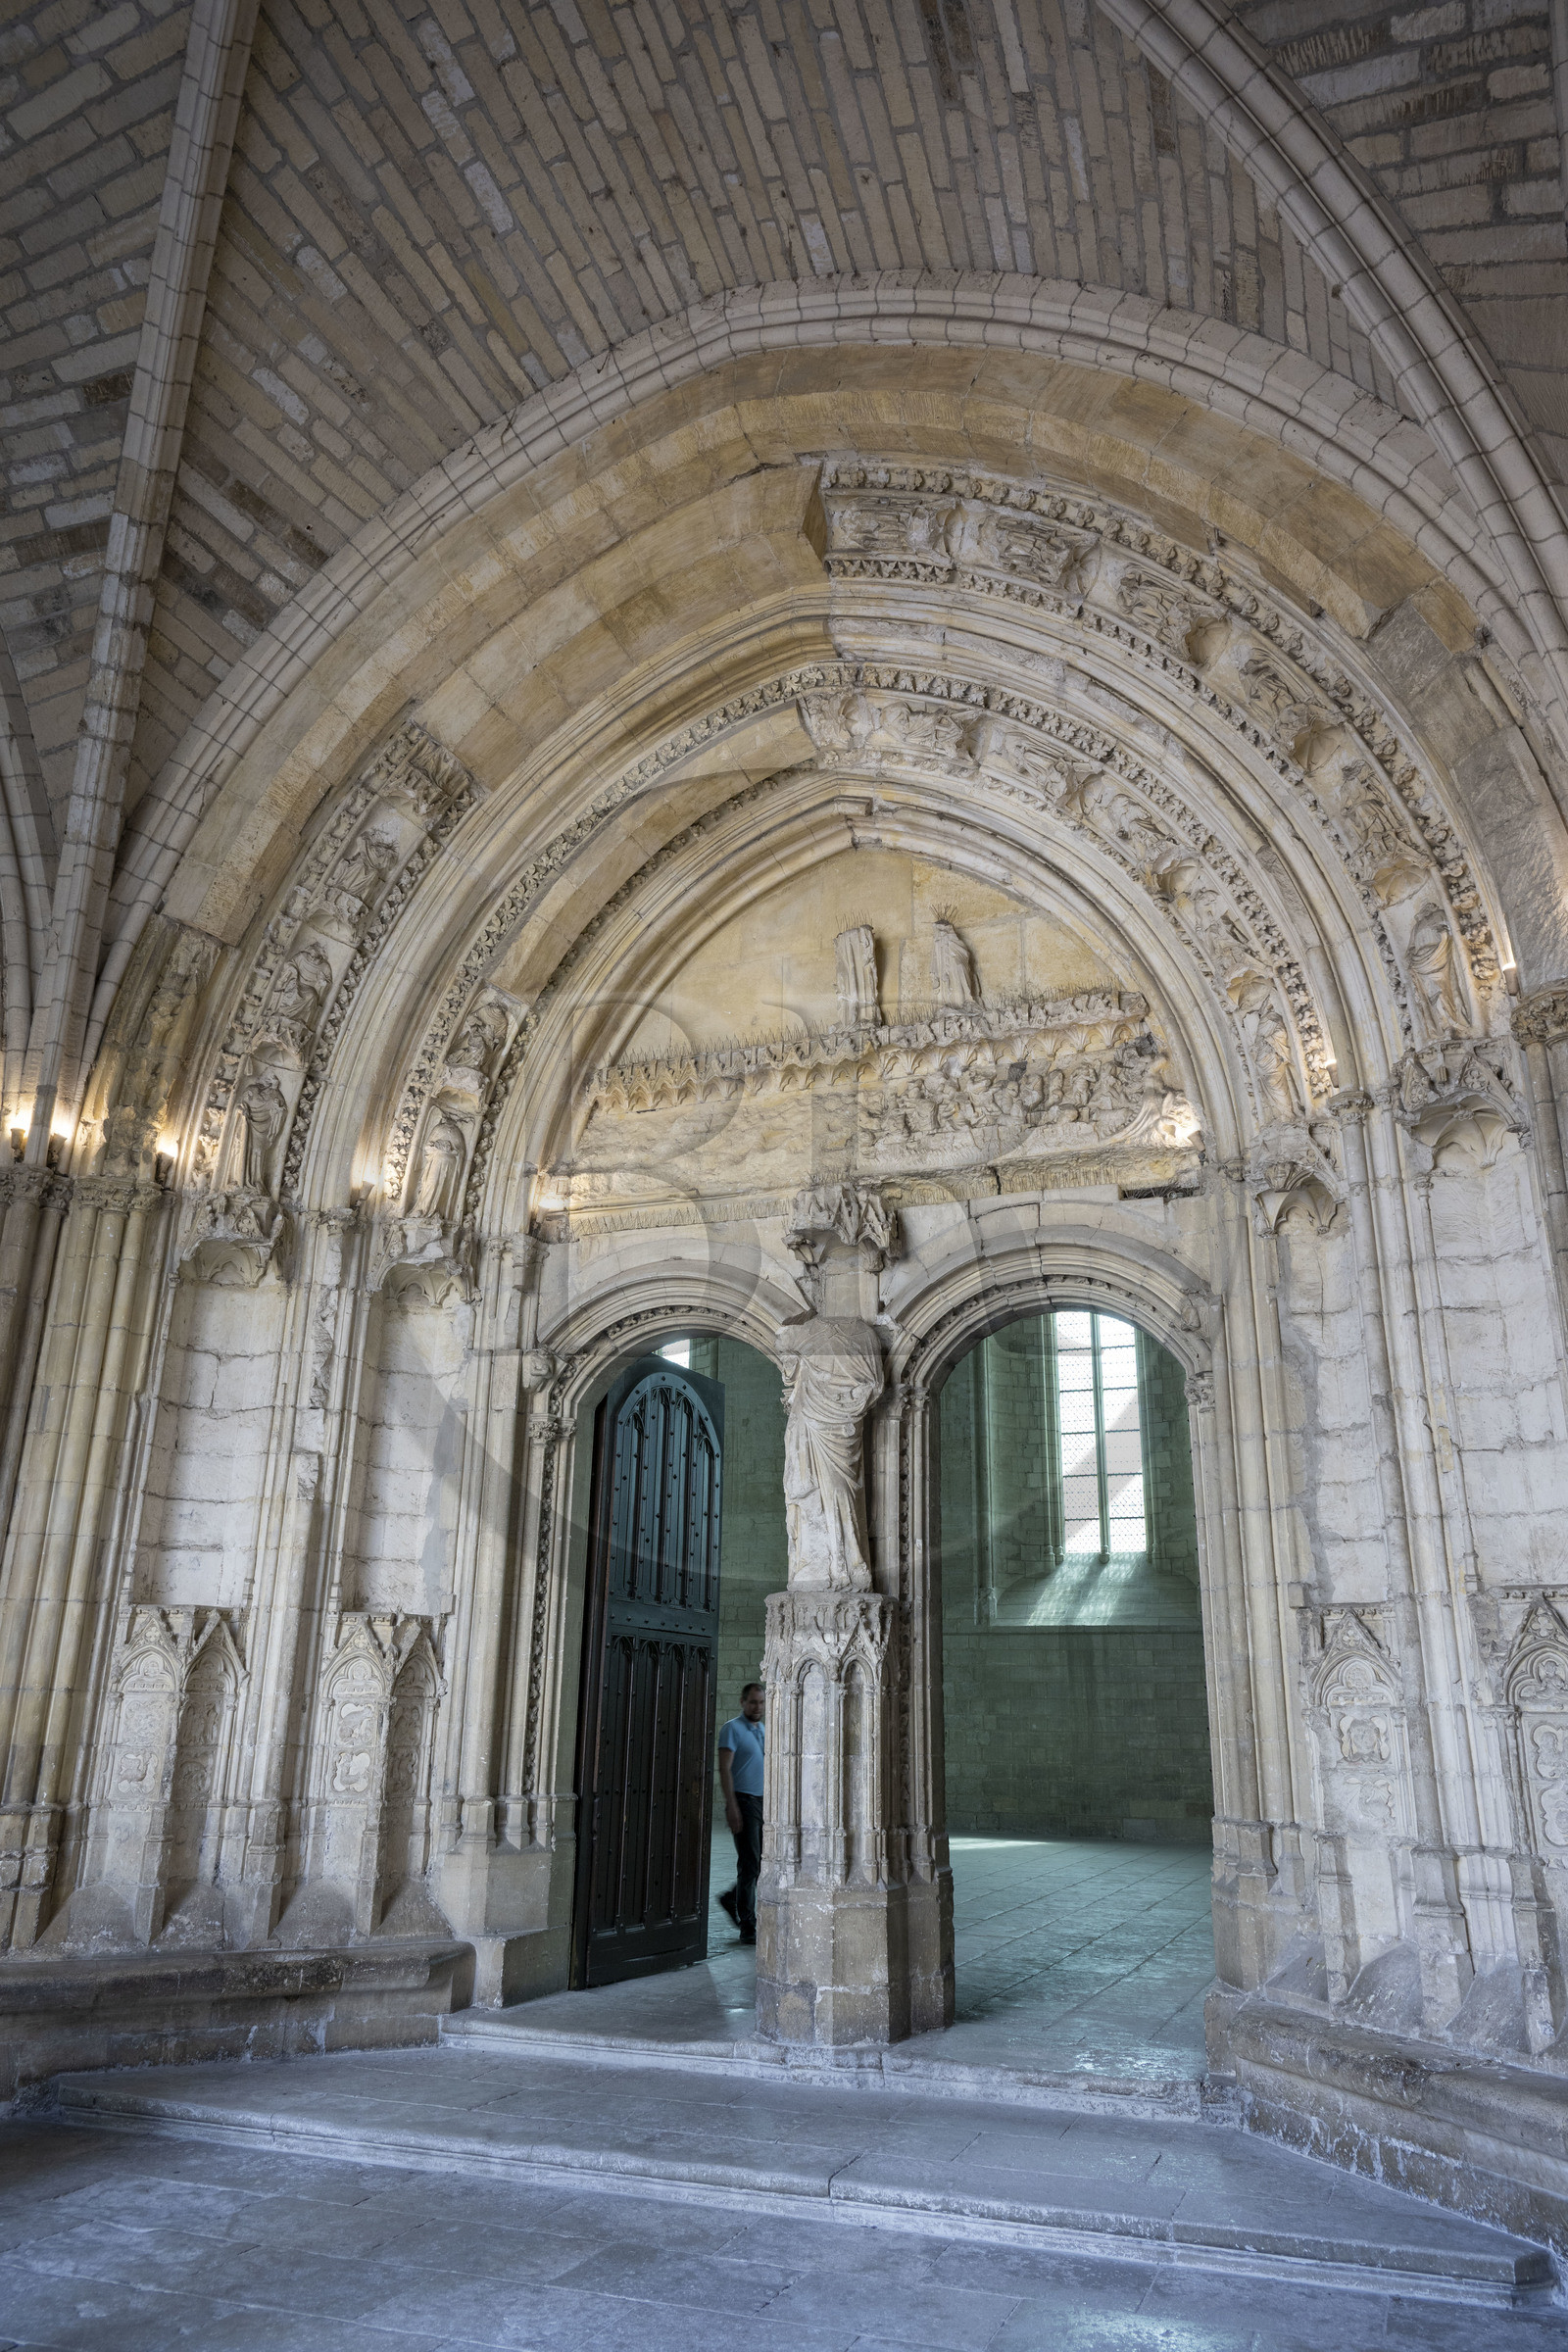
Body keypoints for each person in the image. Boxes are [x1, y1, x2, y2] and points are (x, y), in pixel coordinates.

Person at [715, 1682, 764, 1945]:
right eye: (753, 1702)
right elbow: (725, 1769)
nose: (757, 1707)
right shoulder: (731, 1729)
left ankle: (732, 1898)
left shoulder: (763, 1729)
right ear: (743, 1702)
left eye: (761, 1702)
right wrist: (731, 1804)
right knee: (750, 1863)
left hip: (762, 1801)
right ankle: (748, 1925)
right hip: (743, 1802)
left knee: (761, 1863)